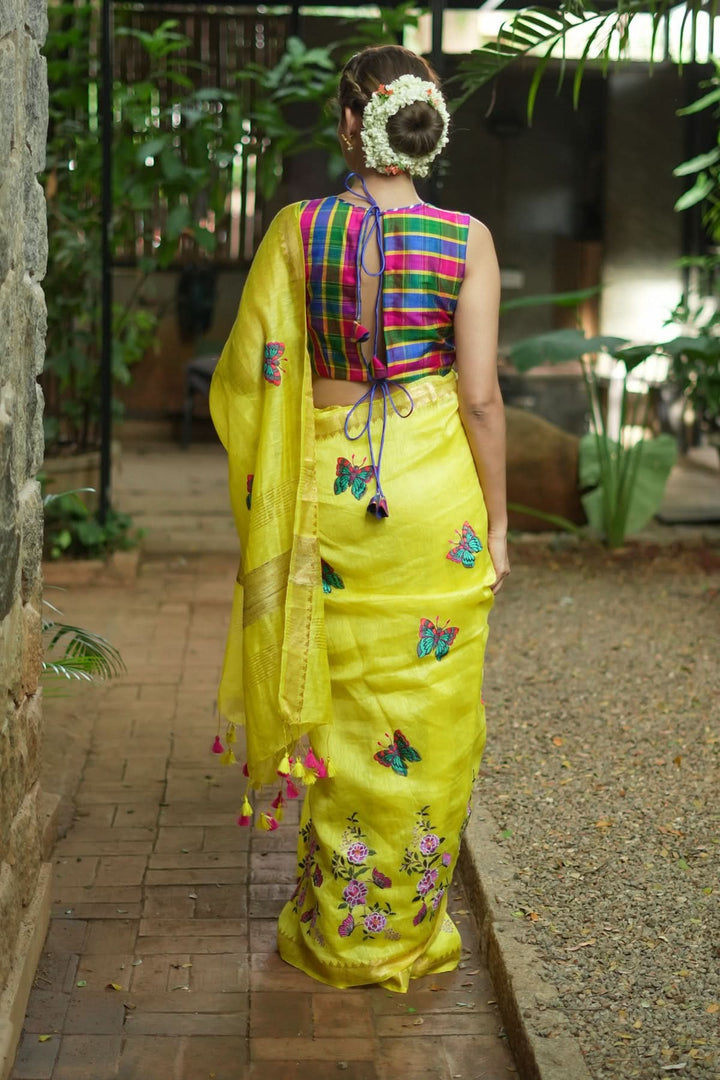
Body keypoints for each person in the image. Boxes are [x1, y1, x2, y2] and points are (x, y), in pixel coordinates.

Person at [209, 43, 509, 993]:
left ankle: (340, 924)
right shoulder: (468, 239)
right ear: (428, 129)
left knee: (338, 722)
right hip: (436, 510)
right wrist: (498, 529)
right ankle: (404, 929)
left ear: (350, 123)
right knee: (429, 720)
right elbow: (482, 401)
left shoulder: (299, 233)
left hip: (329, 502)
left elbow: (251, 381)